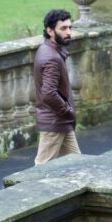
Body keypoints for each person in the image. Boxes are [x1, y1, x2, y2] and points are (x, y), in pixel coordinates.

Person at [33, 9, 81, 165]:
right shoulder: (52, 58)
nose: (68, 32)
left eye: (70, 27)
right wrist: (67, 111)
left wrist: (66, 114)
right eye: (63, 28)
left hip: (60, 121)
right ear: (50, 31)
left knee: (77, 163)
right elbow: (48, 93)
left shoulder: (48, 50)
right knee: (41, 169)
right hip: (54, 122)